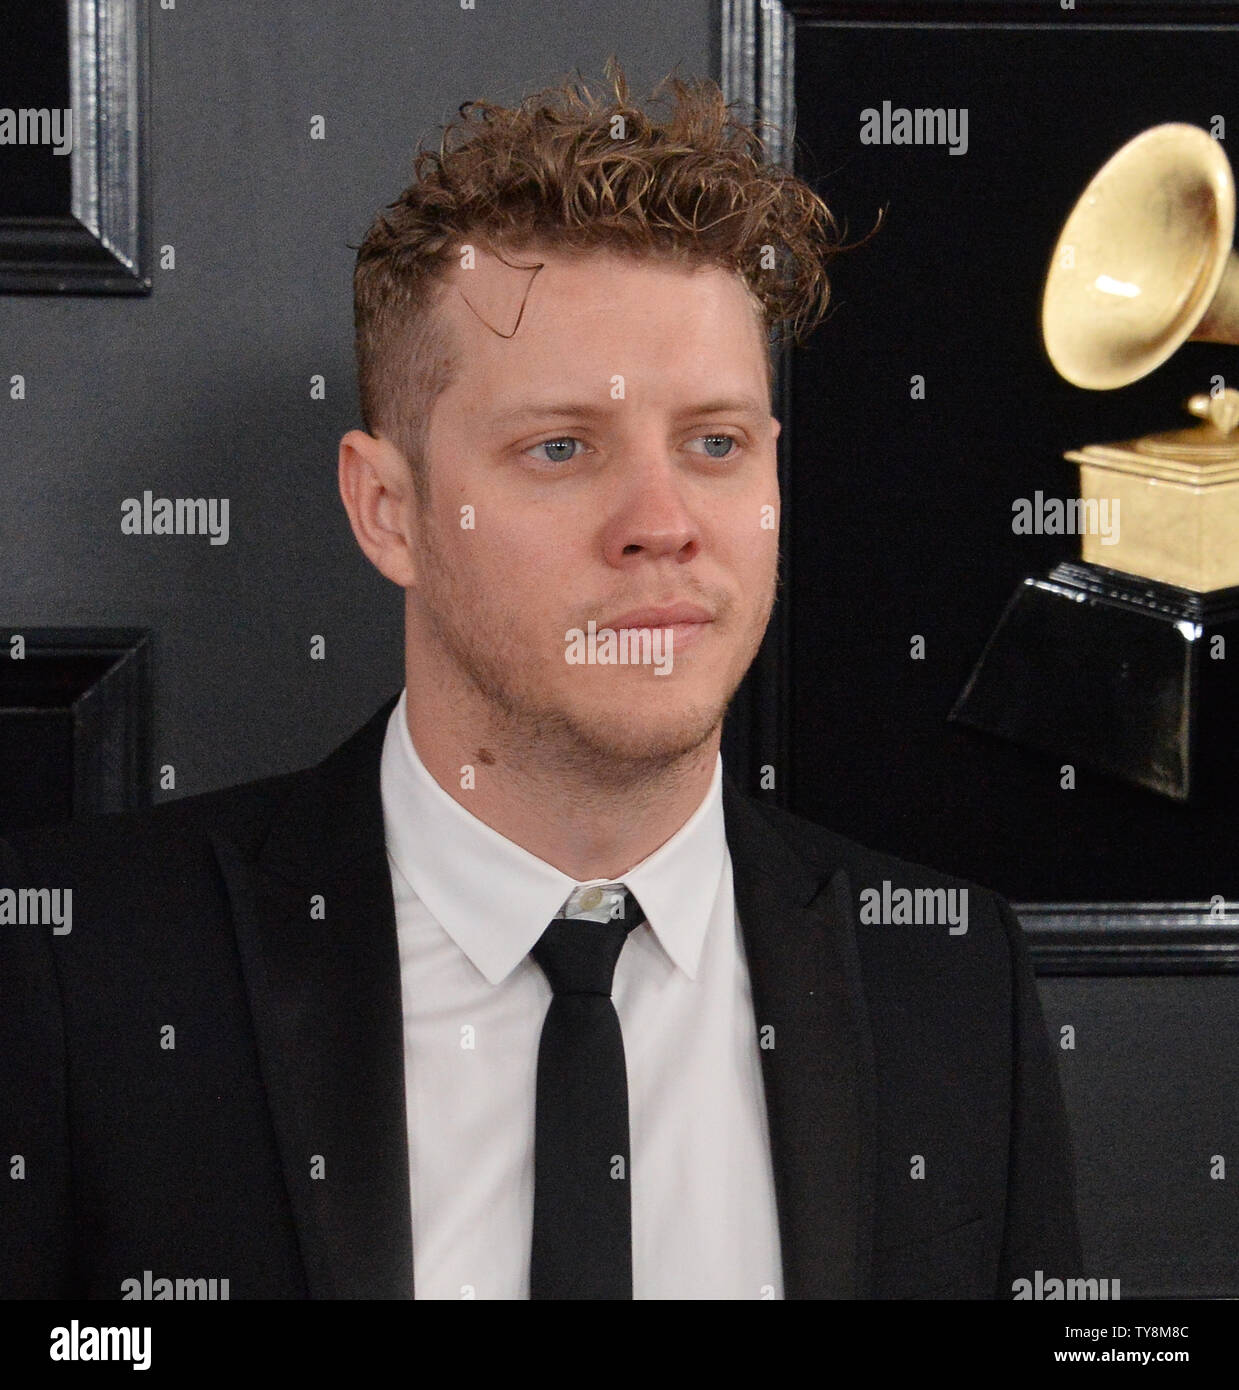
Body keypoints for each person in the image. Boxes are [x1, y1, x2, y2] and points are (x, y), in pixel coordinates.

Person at [0, 61, 1080, 1300]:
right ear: (387, 509)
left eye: (715, 444)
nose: (662, 523)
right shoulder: (78, 968)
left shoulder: (952, 983)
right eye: (561, 447)